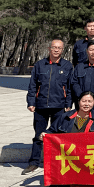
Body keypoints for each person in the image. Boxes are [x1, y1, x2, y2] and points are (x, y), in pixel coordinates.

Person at [23, 39, 73, 175]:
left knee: (58, 136)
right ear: (49, 48)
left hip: (59, 106)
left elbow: (69, 87)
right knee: (39, 135)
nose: (56, 50)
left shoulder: (67, 66)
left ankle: (56, 162)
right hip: (41, 106)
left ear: (63, 50)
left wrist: (69, 104)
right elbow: (32, 85)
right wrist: (31, 102)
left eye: (59, 48)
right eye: (54, 47)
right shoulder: (40, 65)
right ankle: (33, 163)